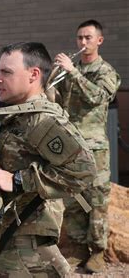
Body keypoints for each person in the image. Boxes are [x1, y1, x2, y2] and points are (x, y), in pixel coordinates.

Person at [0, 42, 96, 277]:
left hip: (28, 251)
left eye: (6, 72)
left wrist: (20, 180)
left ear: (33, 75)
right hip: (9, 238)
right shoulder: (20, 115)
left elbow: (84, 170)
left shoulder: (42, 121)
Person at [53, 20, 121, 272]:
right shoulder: (71, 70)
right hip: (72, 144)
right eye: (80, 38)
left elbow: (98, 97)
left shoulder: (106, 71)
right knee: (74, 198)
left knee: (97, 199)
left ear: (99, 41)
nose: (83, 42)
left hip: (95, 148)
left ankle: (98, 252)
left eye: (88, 38)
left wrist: (72, 72)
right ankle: (78, 248)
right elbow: (57, 99)